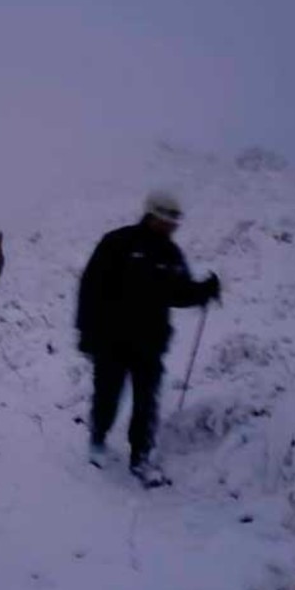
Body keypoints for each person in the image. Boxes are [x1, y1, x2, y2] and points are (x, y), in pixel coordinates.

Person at [75, 190, 220, 487]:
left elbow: (178, 293)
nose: (171, 226)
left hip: (149, 343)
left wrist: (204, 290)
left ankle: (140, 457)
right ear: (151, 215)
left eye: (174, 222)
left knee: (147, 402)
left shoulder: (171, 254)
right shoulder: (117, 243)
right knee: (107, 395)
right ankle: (98, 439)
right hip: (110, 339)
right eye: (166, 220)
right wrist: (86, 333)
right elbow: (90, 288)